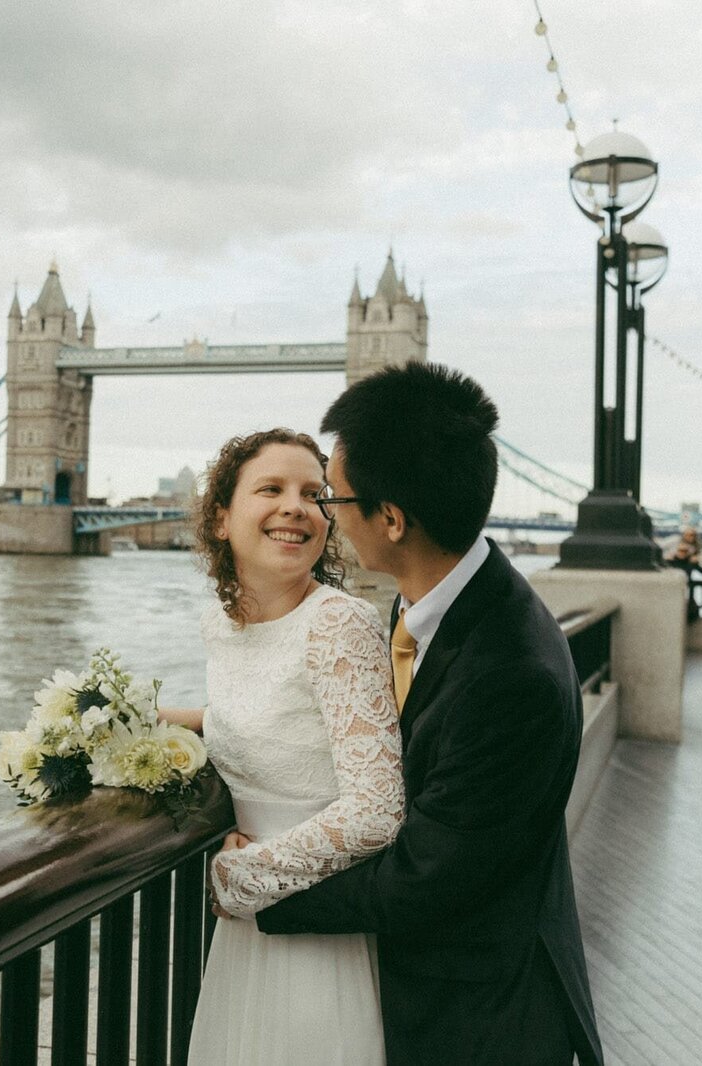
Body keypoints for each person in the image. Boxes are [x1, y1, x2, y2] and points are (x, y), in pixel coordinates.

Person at [250, 362, 603, 1064]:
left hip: (485, 1019)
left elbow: (425, 876)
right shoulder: (426, 604)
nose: (325, 514)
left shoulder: (513, 673)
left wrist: (261, 889)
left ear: (390, 518)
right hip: (441, 991)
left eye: (335, 498)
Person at [160, 426, 406, 1063]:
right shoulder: (222, 624)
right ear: (220, 518)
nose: (297, 506)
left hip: (314, 920)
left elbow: (378, 809)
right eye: (271, 488)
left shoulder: (338, 623)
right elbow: (268, 722)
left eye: (315, 494)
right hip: (248, 931)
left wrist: (242, 877)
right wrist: (146, 722)